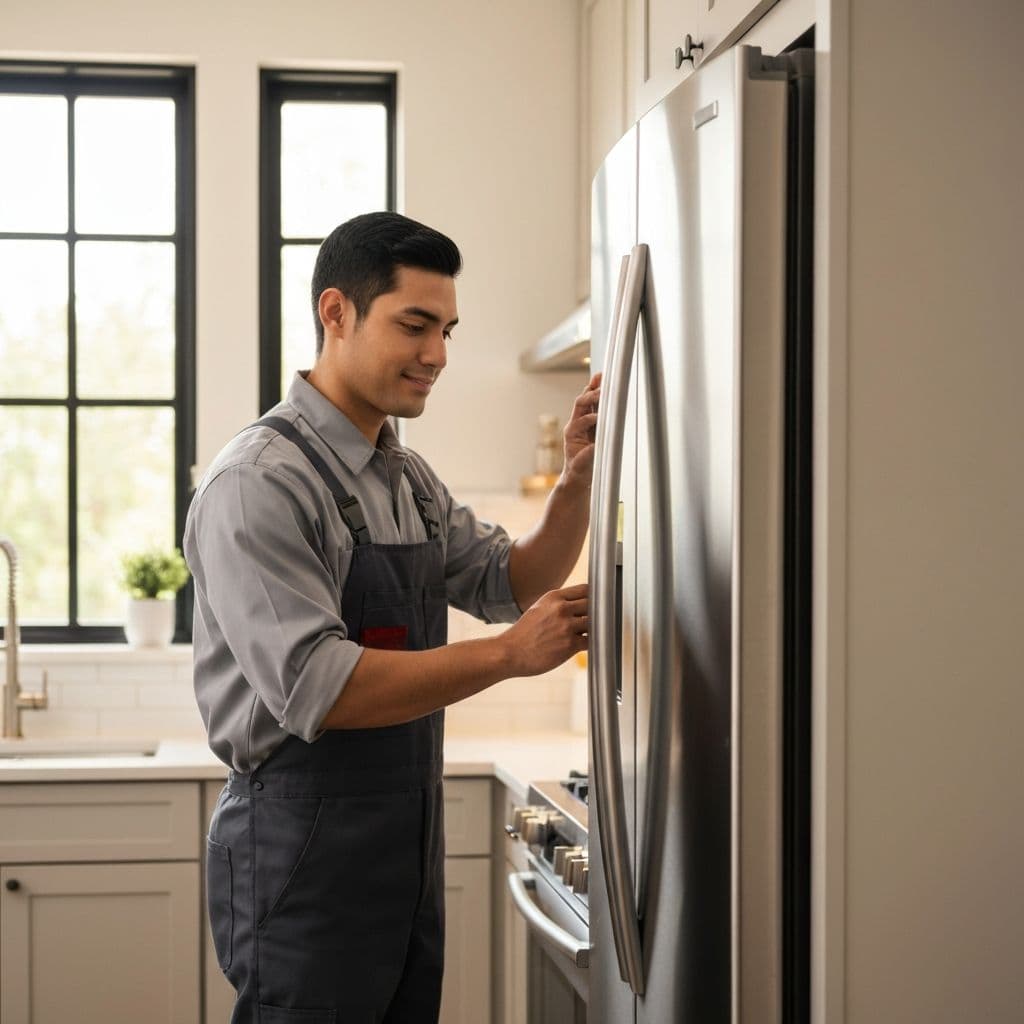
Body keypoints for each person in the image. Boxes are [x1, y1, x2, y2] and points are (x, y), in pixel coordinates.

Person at [184, 211, 598, 1024]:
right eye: (415, 325)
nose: (438, 355)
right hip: (297, 855)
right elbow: (319, 687)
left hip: (401, 843)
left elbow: (507, 579)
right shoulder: (258, 483)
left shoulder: (402, 473)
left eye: (445, 328)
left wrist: (579, 481)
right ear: (335, 313)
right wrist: (511, 656)